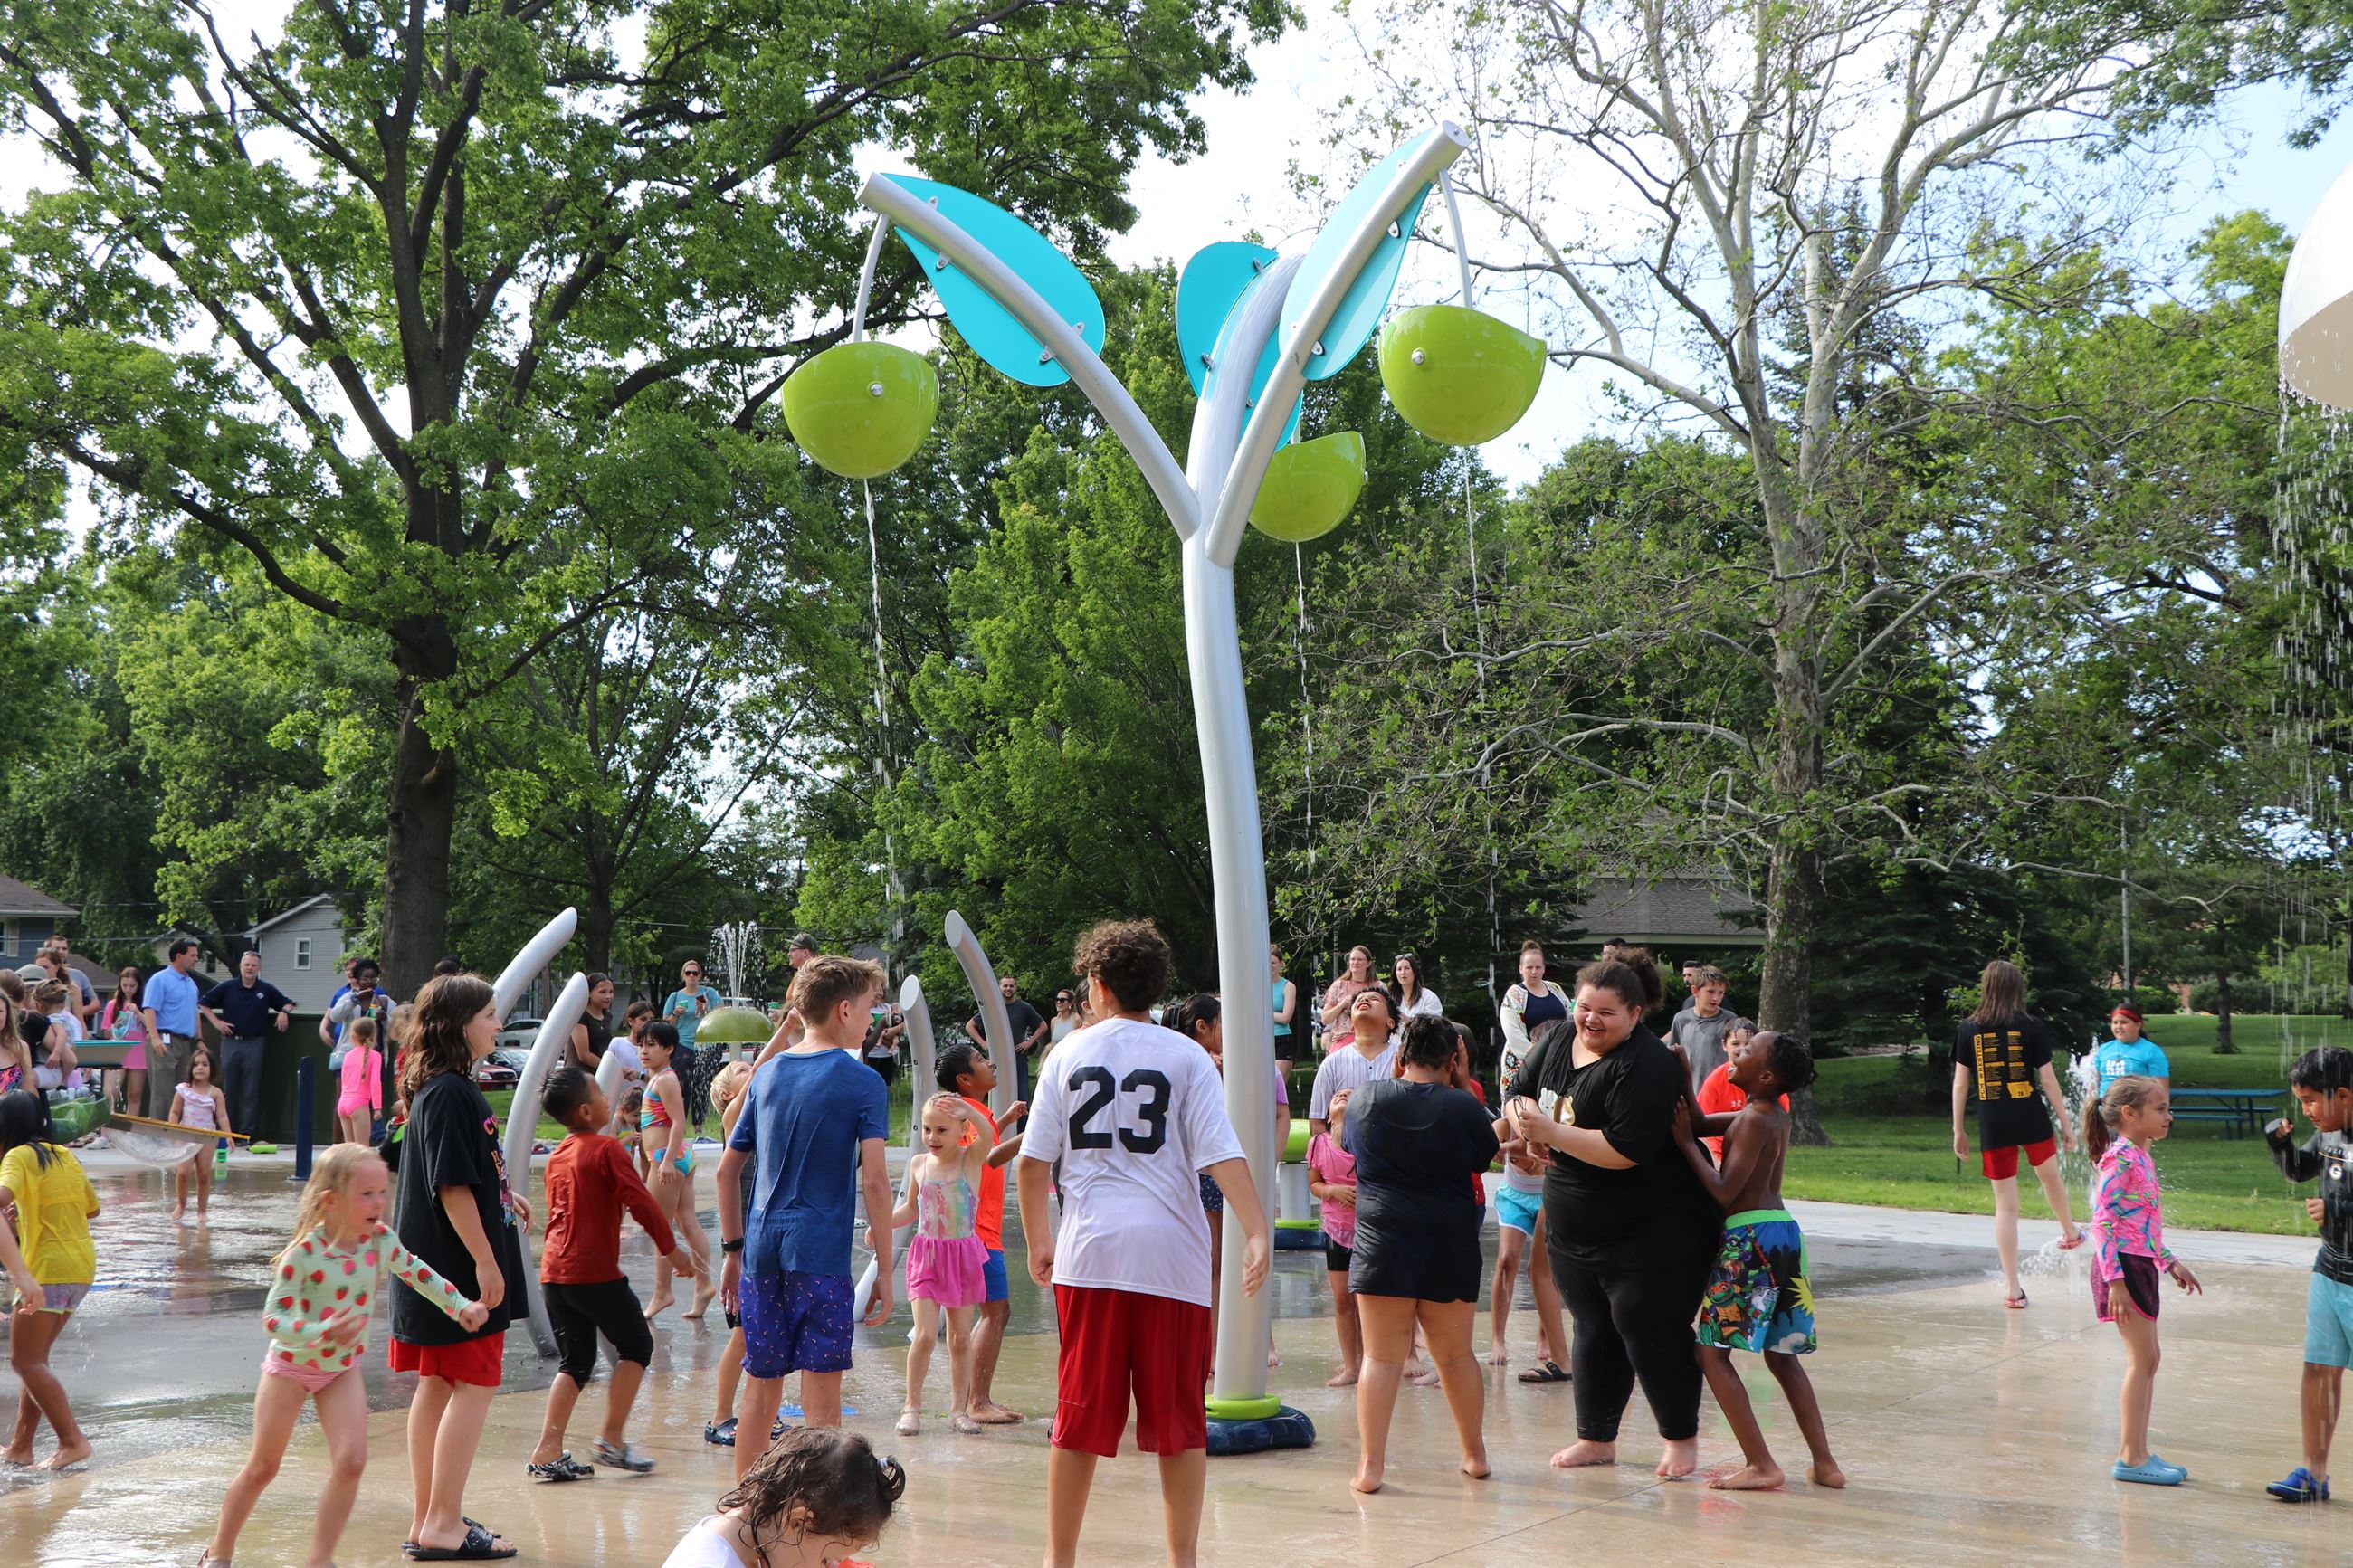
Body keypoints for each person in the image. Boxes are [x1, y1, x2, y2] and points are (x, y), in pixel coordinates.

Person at [1015, 919, 1270, 1568]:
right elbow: (1222, 1153)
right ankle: (1182, 1558)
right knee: (1180, 1423)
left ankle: (1058, 1558)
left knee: (1076, 1418)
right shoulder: (1185, 1055)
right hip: (1173, 1261)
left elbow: (1031, 1162)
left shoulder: (1065, 1053)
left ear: (1096, 986)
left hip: (1090, 1255)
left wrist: (1039, 1240)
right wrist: (1258, 1228)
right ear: (1157, 989)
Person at [199, 1145, 487, 1568]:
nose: (379, 1203)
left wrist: (460, 1305)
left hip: (339, 1370)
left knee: (352, 1461)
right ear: (330, 1201)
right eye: (366, 1194)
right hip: (290, 1368)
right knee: (263, 1467)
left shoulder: (379, 1242)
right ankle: (219, 1550)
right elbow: (272, 1320)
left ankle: (320, 1559)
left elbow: (416, 1271)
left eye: (382, 1191)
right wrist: (319, 1331)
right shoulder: (304, 1255)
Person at [1503, 952, 1720, 1478]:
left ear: (1636, 1015)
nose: (1590, 1020)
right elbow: (1517, 1094)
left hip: (1654, 1231)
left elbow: (1625, 1148)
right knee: (1594, 1329)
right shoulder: (1556, 1039)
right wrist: (1524, 1125)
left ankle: (1680, 1439)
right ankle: (1596, 1438)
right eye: (1584, 1008)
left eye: (1606, 1012)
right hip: (1575, 1228)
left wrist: (1550, 1133)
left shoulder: (1648, 1065)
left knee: (1649, 1329)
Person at [716, 955, 895, 1482]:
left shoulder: (768, 1074)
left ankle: (741, 1511)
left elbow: (728, 1172)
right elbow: (877, 1183)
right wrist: (885, 1269)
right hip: (819, 1254)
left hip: (762, 1252)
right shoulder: (862, 1082)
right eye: (869, 1008)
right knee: (822, 1399)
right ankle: (819, 1523)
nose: (872, 1018)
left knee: (761, 1386)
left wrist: (732, 1252)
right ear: (844, 1009)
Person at [389, 971, 531, 1563]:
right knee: (472, 1386)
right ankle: (443, 1521)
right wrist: (485, 1264)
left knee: (438, 1385)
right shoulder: (451, 1092)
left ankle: (430, 1516)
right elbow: (450, 1186)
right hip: (458, 1274)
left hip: (436, 1273)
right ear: (459, 1024)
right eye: (491, 1014)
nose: (499, 1023)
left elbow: (454, 1172)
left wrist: (504, 1193)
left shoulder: (438, 1088)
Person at [1669, 1030, 1843, 1490]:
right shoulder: (1770, 1114)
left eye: (1746, 1051)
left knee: (1709, 1353)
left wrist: (1687, 1145)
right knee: (1783, 1357)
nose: (1737, 1052)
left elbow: (1725, 1192)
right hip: (1782, 1233)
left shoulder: (1751, 1120)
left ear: (1764, 1075)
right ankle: (1825, 1464)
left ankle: (1761, 1463)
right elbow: (1704, 1119)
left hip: (1750, 1238)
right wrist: (1687, 1080)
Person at [1343, 1012, 1500, 1494]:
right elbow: (1482, 1157)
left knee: (1382, 1357)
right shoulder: (1463, 1106)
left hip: (1381, 1241)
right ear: (1453, 1059)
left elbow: (1349, 1148)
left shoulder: (1365, 1098)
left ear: (1400, 1055)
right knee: (1455, 1357)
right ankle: (1473, 1455)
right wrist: (1457, 1084)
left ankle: (1371, 1467)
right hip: (1447, 1241)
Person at [529, 1066, 700, 1483]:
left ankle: (547, 1450)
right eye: (602, 1095)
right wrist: (673, 1252)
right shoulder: (607, 1150)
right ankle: (611, 1439)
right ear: (587, 1110)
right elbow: (643, 1203)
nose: (611, 1098)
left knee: (577, 1360)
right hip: (593, 1273)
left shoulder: (558, 1156)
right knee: (637, 1345)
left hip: (554, 1274)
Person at [2082, 1074, 2203, 1487]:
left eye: (2166, 1108)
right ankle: (2130, 1457)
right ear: (2130, 1115)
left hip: (2139, 1265)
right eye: (2160, 1109)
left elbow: (2142, 1227)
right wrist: (2115, 1282)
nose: (2169, 1116)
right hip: (2123, 1270)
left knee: (2149, 1360)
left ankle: (2139, 1452)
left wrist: (2169, 1262)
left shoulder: (2141, 1157)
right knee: (2142, 1361)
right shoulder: (2120, 1160)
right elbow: (2102, 1223)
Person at [1951, 958, 2082, 1309]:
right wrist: (2067, 1126)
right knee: (2050, 1176)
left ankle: (2013, 1289)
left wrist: (1958, 1129)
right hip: (2030, 1114)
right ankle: (2070, 1232)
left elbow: (1961, 1083)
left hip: (1993, 1121)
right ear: (2017, 988)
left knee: (2005, 1206)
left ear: (1986, 987)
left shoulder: (1968, 1029)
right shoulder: (2033, 1026)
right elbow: (2049, 1081)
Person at [2263, 1044, 2353, 1503]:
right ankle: (2314, 1473)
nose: (2307, 1112)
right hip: (2330, 1270)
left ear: (2343, 1094)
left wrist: (2337, 1208)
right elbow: (2300, 1171)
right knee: (2319, 1369)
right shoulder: (2328, 1135)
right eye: (2301, 1102)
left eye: (2312, 1101)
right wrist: (2279, 1144)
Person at [0, 1088, 98, 1470]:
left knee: (25, 1361)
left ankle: (72, 1441)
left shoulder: (17, 1156)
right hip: (81, 1266)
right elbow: (91, 1209)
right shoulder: (65, 1154)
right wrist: (24, 1216)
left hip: (47, 1268)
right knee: (35, 1360)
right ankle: (21, 1447)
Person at [891, 1094, 994, 1436]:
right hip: (927, 1256)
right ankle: (912, 1407)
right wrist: (882, 1225)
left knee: (960, 1338)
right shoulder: (919, 1164)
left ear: (962, 1130)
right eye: (927, 1128)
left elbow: (990, 1138)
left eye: (942, 1130)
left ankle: (958, 1410)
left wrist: (971, 1113)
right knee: (922, 1335)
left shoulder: (970, 1160)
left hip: (961, 1257)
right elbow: (910, 1209)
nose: (932, 1137)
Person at [657, 1428, 905, 1568]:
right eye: (825, 1561)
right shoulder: (713, 1564)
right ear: (797, 1521)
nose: (833, 1567)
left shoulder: (745, 1539)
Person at [936, 1041, 1026, 1424]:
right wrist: (1038, 1130)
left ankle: (974, 1398)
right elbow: (985, 1156)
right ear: (965, 1080)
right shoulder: (966, 1116)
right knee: (995, 1313)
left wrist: (1003, 1121)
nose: (990, 1062)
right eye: (979, 1060)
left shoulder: (976, 1114)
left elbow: (984, 1145)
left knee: (990, 1312)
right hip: (977, 1232)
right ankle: (976, 1402)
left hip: (978, 1229)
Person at [1490, 1016, 1571, 1380]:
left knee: (1546, 1269)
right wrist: (1507, 1143)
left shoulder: (1556, 1092)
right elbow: (1499, 1133)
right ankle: (1501, 1339)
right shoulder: (1524, 1093)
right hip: (1520, 1194)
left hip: (1552, 1194)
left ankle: (1551, 1344)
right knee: (1514, 1261)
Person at [638, 1021, 717, 1321]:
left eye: (652, 1045)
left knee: (659, 1225)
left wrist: (667, 1160)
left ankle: (663, 1292)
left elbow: (679, 1122)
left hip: (667, 1158)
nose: (644, 1050)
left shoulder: (665, 1080)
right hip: (677, 1156)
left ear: (669, 1049)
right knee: (686, 1221)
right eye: (641, 1044)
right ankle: (704, 1284)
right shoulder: (658, 1076)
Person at [705, 1060, 765, 1449]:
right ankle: (720, 1417)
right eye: (742, 1068)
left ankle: (761, 1411)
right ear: (728, 1094)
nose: (752, 1065)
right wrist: (787, 1030)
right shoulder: (732, 1117)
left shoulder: (761, 1123)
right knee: (743, 1337)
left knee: (763, 1336)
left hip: (762, 1244)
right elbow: (765, 1068)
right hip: (741, 1247)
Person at [202, 950, 295, 1146]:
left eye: (253, 965)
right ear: (241, 967)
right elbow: (203, 1003)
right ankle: (228, 1133)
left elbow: (287, 1002)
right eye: (246, 965)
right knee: (229, 1089)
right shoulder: (228, 987)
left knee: (251, 1090)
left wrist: (284, 1012)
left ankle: (247, 1134)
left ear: (259, 968)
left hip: (255, 1041)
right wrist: (216, 1022)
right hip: (230, 1041)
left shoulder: (265, 989)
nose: (250, 968)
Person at [1307, 1087, 1363, 1388]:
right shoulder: (1318, 1144)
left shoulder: (1366, 1144)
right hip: (1336, 1232)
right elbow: (1313, 1184)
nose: (1342, 1096)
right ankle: (1351, 1365)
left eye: (1350, 1095)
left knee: (1365, 1300)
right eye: (1337, 1096)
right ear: (1328, 1116)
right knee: (1343, 1301)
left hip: (1366, 1230)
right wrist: (1332, 1191)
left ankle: (1369, 1360)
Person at [1308, 988, 1399, 1139]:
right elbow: (1317, 1122)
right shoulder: (1332, 1063)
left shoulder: (1404, 1061)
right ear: (1351, 1024)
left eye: (1374, 999)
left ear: (1390, 1022)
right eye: (1359, 1000)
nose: (1364, 1000)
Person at [141, 936, 205, 1119]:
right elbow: (149, 1009)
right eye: (192, 955)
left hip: (185, 1043)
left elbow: (195, 1013)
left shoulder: (191, 984)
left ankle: (178, 1134)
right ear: (179, 956)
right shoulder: (160, 980)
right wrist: (154, 1038)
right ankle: (160, 1135)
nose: (196, 959)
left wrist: (199, 1039)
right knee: (163, 1091)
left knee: (184, 1090)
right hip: (164, 1039)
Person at [169, 1045, 233, 1220]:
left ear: (212, 1068)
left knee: (203, 1175)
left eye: (205, 1064)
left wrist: (228, 1135)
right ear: (191, 1068)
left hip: (207, 1137)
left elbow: (222, 1116)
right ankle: (181, 1204)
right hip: (186, 1135)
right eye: (196, 1064)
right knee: (183, 1172)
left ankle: (202, 1210)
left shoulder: (215, 1093)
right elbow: (175, 1113)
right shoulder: (183, 1090)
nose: (200, 1068)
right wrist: (173, 1131)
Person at [1498, 940, 1569, 1093]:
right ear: (1521, 969)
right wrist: (1536, 1056)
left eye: (1538, 967)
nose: (1534, 972)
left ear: (1544, 969)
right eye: (1529, 968)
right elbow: (1513, 1033)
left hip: (1559, 1058)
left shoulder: (1555, 988)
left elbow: (1569, 1016)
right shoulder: (1514, 994)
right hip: (1524, 1062)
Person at [663, 958, 724, 1131]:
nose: (691, 976)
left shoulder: (708, 992)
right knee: (682, 1086)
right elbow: (666, 1024)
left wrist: (706, 1010)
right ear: (683, 975)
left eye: (695, 973)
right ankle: (679, 1126)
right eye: (688, 972)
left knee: (702, 1085)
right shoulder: (676, 996)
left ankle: (699, 1126)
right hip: (683, 1044)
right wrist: (675, 1013)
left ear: (700, 976)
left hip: (707, 1045)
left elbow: (721, 1015)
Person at [966, 975, 1047, 1101]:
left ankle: (1022, 1122)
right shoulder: (992, 1008)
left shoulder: (1024, 1008)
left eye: (1011, 986)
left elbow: (1043, 1026)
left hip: (1019, 1060)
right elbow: (970, 1026)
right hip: (996, 1061)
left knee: (1021, 1099)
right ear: (999, 988)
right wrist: (983, 1043)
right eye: (1005, 986)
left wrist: (1030, 1042)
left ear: (1015, 988)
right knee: (999, 1099)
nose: (1008, 988)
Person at [1668, 965, 1736, 1096]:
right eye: (1710, 992)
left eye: (1721, 993)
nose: (1716, 998)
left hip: (1720, 1093)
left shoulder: (1729, 1020)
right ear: (1695, 991)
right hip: (1690, 1093)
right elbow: (1674, 1057)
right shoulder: (1681, 1019)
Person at [328, 958, 395, 1071]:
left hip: (375, 1057)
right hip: (350, 1056)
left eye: (373, 978)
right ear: (358, 980)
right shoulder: (348, 998)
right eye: (365, 978)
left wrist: (384, 1018)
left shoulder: (384, 1001)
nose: (370, 981)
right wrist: (354, 1001)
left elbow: (396, 1028)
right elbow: (334, 1017)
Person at [100, 965, 150, 1117]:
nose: (128, 989)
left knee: (134, 1094)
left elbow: (151, 1026)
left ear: (139, 986)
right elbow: (105, 1032)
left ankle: (130, 1128)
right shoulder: (112, 1005)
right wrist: (117, 1027)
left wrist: (137, 1012)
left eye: (132, 986)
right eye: (125, 986)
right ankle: (106, 1127)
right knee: (111, 1091)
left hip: (139, 1052)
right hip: (118, 1051)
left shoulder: (145, 1005)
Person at [336, 1017, 386, 1148]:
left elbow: (344, 1080)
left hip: (343, 1103)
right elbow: (375, 1082)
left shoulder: (347, 1055)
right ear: (374, 1035)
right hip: (358, 1103)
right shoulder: (375, 1056)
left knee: (350, 1150)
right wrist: (377, 1108)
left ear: (353, 1036)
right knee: (363, 1149)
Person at [1319, 946, 1381, 1035]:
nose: (1355, 962)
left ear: (1369, 963)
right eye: (1352, 959)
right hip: (1343, 1037)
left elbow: (1387, 1015)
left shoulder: (1379, 987)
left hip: (1371, 1039)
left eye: (1360, 959)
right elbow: (1325, 1019)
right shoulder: (1339, 985)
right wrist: (1341, 1005)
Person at [569, 973, 617, 1074]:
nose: (608, 996)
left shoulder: (608, 1016)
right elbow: (584, 1055)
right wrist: (611, 1068)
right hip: (578, 1077)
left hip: (600, 1075)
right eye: (602, 992)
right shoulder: (580, 1015)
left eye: (611, 992)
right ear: (589, 993)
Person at [1269, 946, 1296, 1081]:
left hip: (1281, 1038)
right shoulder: (1257, 986)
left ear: (1281, 964)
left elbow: (1285, 1017)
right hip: (1260, 1039)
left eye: (1273, 962)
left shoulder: (1288, 986)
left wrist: (1264, 1013)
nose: (1270, 966)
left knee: (1277, 1085)